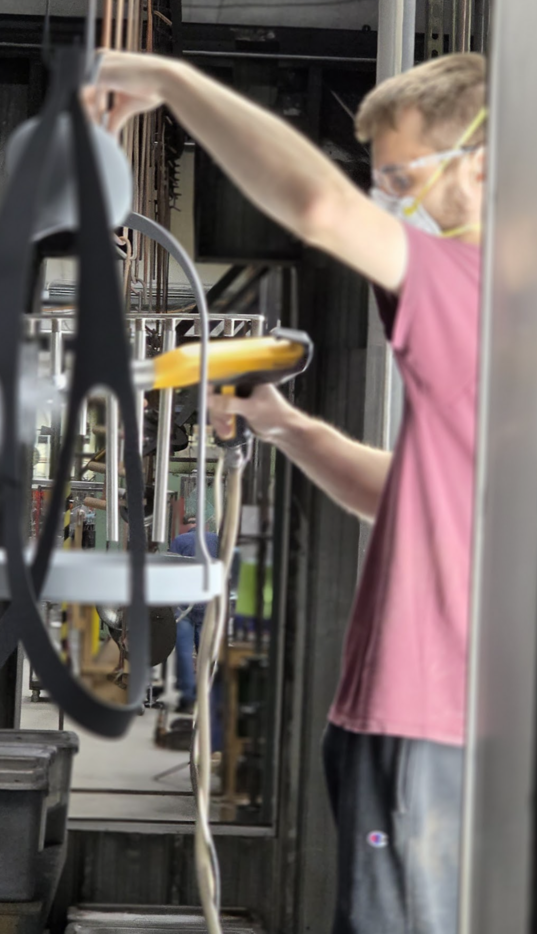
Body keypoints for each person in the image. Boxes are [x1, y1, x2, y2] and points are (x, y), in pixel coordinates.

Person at [93, 51, 485, 934]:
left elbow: (316, 206)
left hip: (428, 719)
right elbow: (410, 495)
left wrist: (170, 85)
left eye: (398, 176)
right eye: (376, 180)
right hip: (396, 719)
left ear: (483, 163)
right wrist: (285, 426)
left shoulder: (480, 284)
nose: (386, 200)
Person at [169, 519, 219, 714]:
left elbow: (171, 571)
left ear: (187, 525)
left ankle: (188, 699)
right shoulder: (216, 540)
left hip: (184, 604)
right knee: (206, 652)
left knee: (183, 652)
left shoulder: (180, 541)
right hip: (208, 602)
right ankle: (206, 698)